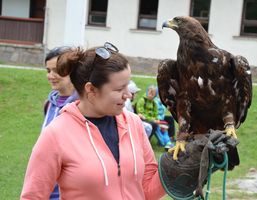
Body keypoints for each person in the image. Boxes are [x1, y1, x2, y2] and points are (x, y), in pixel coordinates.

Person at [21, 42, 166, 199]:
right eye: (119, 89)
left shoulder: (134, 123)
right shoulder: (56, 134)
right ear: (91, 89)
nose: (129, 95)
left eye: (128, 86)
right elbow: (33, 196)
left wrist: (176, 169)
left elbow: (147, 191)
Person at [43, 46, 78, 200]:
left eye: (56, 70)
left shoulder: (83, 106)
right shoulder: (49, 104)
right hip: (45, 187)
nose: (51, 76)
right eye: (48, 70)